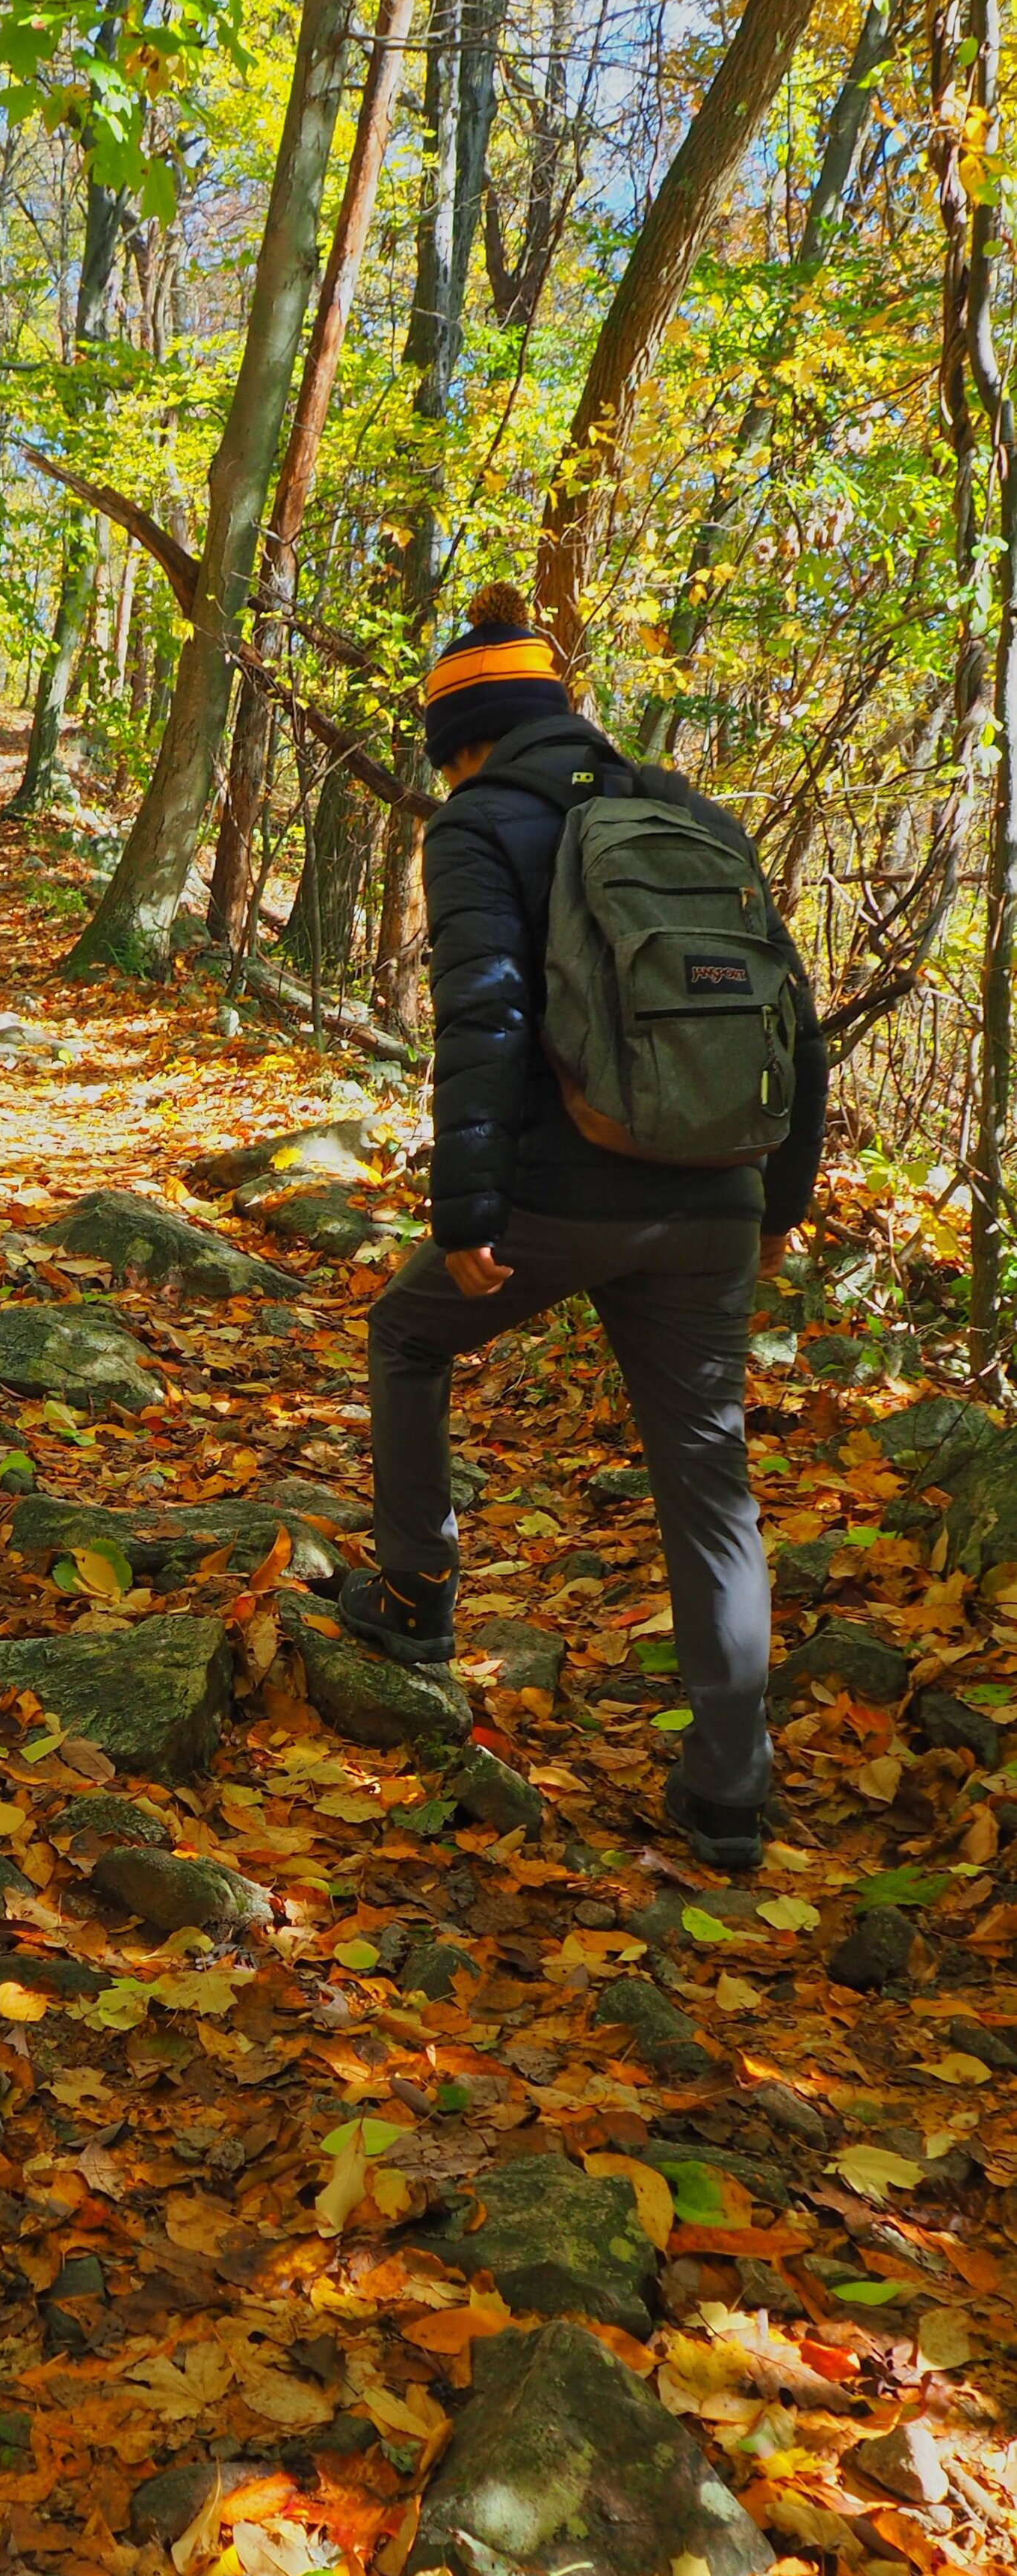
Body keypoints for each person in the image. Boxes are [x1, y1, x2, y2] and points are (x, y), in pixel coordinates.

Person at [337, 582, 827, 1871]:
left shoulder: (478, 825)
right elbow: (797, 1019)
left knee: (405, 1337)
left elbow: (484, 1019)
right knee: (711, 1484)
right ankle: (730, 1798)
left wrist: (467, 1208)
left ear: (463, 735)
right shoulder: (690, 813)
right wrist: (778, 1204)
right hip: (718, 1193)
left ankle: (416, 1598)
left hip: (564, 1198)